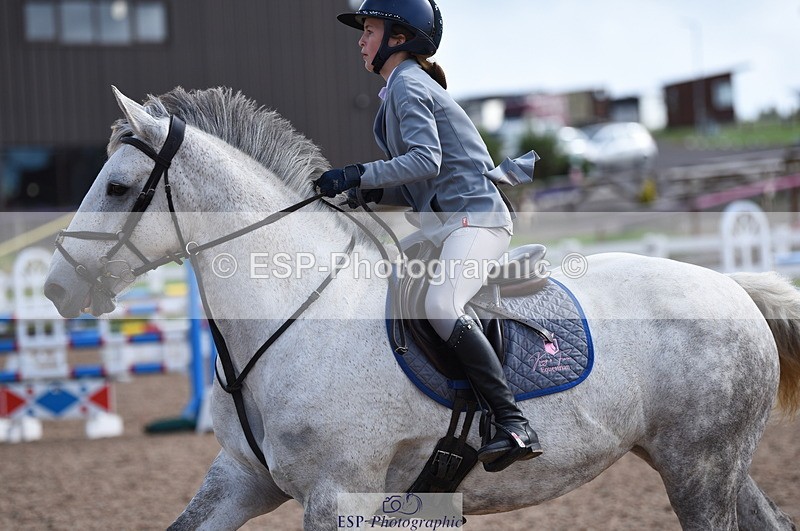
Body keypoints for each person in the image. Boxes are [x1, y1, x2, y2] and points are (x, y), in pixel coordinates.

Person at [314, 0, 542, 472]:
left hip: (477, 220)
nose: (360, 41)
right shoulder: (399, 89)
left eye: (370, 31)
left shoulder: (409, 86)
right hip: (447, 225)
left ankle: (514, 422)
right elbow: (420, 181)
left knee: (441, 304)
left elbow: (425, 161)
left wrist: (358, 173)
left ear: (399, 38)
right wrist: (361, 192)